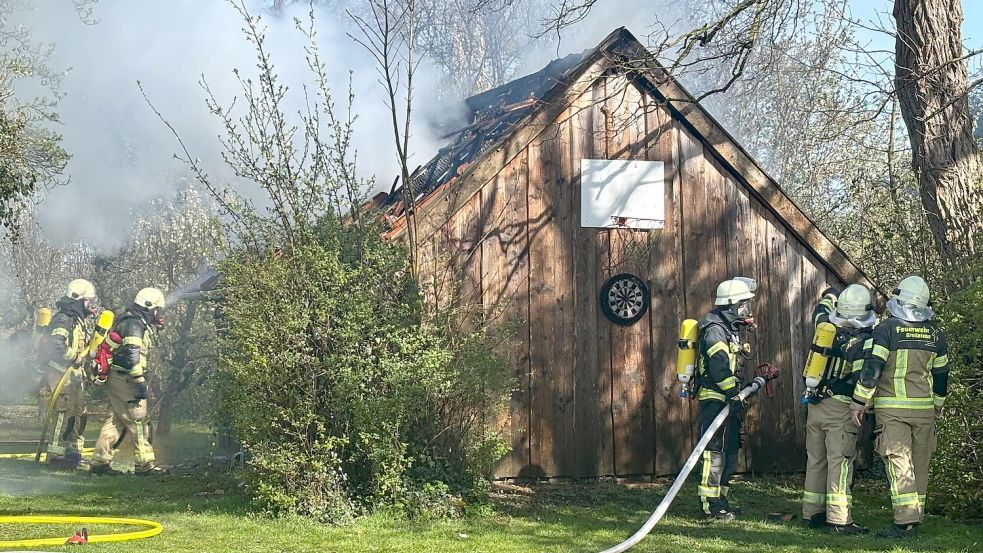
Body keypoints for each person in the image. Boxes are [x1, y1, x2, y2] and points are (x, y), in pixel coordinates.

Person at [850, 275, 948, 538]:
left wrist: (859, 402)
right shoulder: (936, 334)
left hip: (892, 410)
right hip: (925, 410)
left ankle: (904, 522)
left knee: (899, 462)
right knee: (920, 464)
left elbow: (872, 370)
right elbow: (941, 376)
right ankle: (916, 517)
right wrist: (938, 405)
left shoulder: (886, 330)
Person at [801, 285, 875, 534]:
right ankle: (840, 520)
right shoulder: (860, 342)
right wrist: (862, 404)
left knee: (816, 460)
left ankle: (812, 514)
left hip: (816, 405)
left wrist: (830, 295)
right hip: (840, 409)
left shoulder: (825, 326)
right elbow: (862, 379)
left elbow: (819, 312)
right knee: (840, 463)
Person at [694, 277, 756, 520]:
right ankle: (710, 505)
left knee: (730, 449)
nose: (746, 310)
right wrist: (733, 393)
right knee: (714, 451)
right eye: (743, 305)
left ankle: (722, 500)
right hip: (716, 400)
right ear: (731, 305)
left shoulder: (728, 330)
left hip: (729, 401)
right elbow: (719, 368)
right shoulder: (714, 331)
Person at [90, 287, 166, 476]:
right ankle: (145, 465)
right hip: (126, 379)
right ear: (149, 307)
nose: (160, 314)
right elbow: (132, 357)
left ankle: (100, 462)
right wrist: (139, 382)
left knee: (115, 421)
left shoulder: (132, 320)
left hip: (117, 378)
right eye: (158, 309)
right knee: (139, 419)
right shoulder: (134, 325)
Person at [43, 279, 97, 469]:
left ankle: (73, 454)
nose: (91, 305)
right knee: (62, 415)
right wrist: (76, 358)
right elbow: (56, 345)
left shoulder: (77, 320)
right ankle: (56, 457)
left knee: (78, 414)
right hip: (60, 375)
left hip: (74, 377)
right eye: (89, 301)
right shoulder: (64, 318)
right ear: (79, 300)